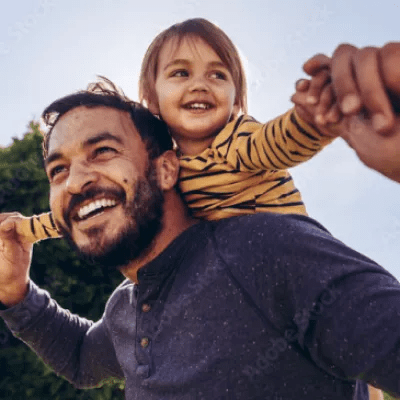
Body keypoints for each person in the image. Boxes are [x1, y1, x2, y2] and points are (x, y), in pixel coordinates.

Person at [1, 57, 400, 398]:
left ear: (166, 169)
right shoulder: (125, 307)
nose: (74, 182)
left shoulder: (263, 248)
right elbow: (81, 358)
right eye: (58, 170)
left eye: (103, 151)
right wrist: (15, 293)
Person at [16, 18, 339, 243]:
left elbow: (278, 142)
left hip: (296, 253)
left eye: (218, 76)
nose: (199, 85)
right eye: (181, 73)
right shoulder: (165, 169)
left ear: (237, 100)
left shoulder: (237, 138)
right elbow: (93, 203)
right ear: (151, 99)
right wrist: (26, 230)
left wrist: (312, 119)